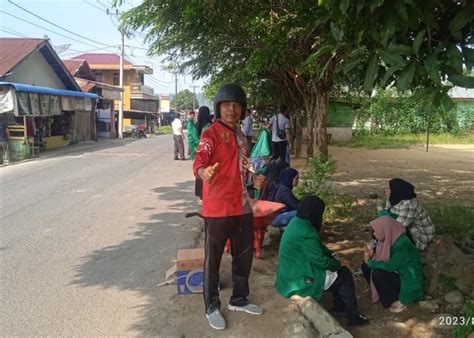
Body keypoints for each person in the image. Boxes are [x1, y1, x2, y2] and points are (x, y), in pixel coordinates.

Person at [193, 84, 263, 330]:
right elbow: (199, 161)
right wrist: (204, 172)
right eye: (226, 105)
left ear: (242, 109)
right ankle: (212, 306)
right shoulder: (210, 134)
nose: (232, 109)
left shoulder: (242, 136)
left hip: (241, 206)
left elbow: (244, 167)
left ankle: (239, 299)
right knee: (213, 261)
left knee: (243, 257)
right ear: (219, 108)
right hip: (218, 208)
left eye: (236, 105)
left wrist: (253, 178)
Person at [275, 196, 369, 327]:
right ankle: (353, 317)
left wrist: (332, 254)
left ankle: (339, 307)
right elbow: (320, 261)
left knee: (339, 272)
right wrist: (338, 264)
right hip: (300, 277)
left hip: (289, 272)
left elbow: (317, 247)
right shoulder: (307, 232)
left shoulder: (297, 221)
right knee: (344, 275)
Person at [361, 216, 424, 313]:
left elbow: (390, 266)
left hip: (405, 276)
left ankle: (392, 299)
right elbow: (374, 241)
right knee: (365, 266)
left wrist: (371, 263)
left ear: (385, 229)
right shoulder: (386, 235)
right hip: (396, 271)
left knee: (378, 273)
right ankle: (379, 291)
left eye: (376, 231)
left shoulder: (401, 244)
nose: (374, 233)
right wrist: (368, 249)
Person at [378, 178, 435, 250]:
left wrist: (380, 237)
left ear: (396, 191)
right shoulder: (393, 198)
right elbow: (385, 213)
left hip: (421, 234)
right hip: (405, 225)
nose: (384, 191)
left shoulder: (408, 205)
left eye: (388, 189)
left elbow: (397, 227)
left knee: (394, 237)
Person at [194, 106, 213, 199]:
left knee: (201, 172)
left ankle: (202, 196)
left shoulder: (198, 125)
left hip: (200, 153)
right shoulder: (209, 126)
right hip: (209, 154)